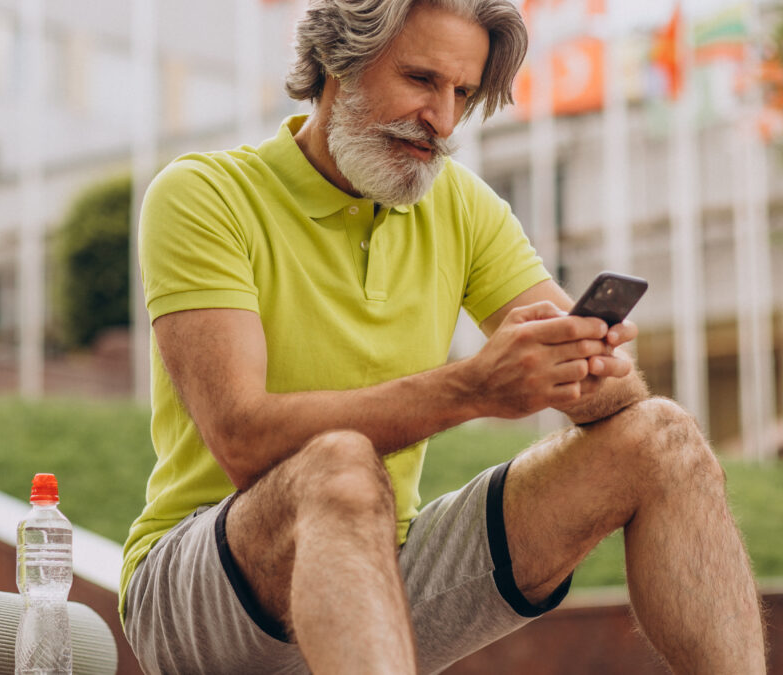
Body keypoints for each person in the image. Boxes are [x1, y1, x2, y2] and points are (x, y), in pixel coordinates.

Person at [119, 0, 767, 673]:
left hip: (385, 570)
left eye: (462, 92)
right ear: (340, 60)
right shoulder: (203, 195)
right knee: (340, 464)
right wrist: (475, 386)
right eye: (423, 80)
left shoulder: (459, 202)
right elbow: (241, 437)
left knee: (662, 435)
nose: (445, 119)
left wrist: (584, 359)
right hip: (204, 584)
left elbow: (611, 398)